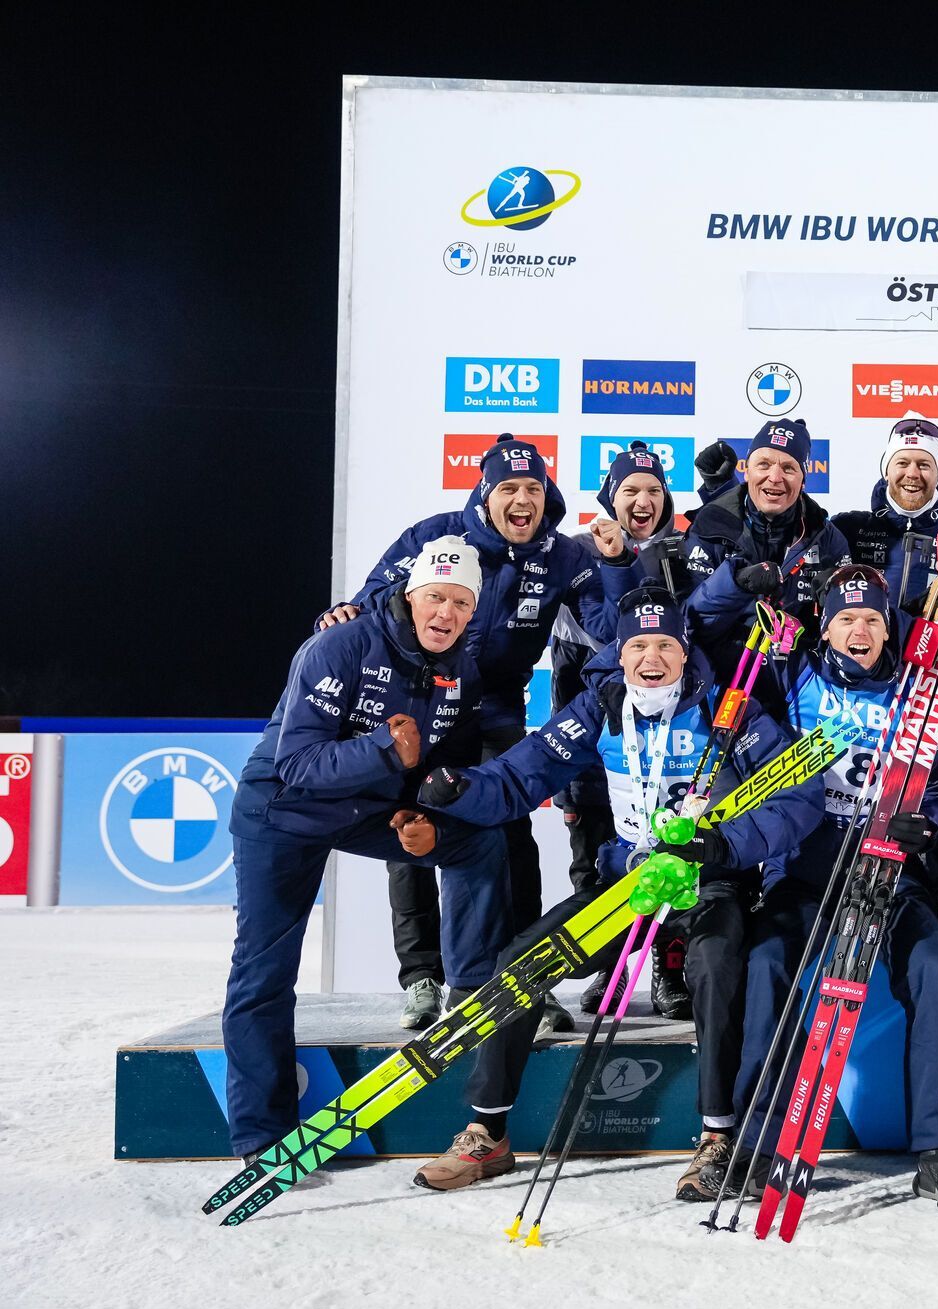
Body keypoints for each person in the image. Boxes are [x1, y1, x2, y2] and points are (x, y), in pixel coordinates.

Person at [410, 590, 822, 1191]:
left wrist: (720, 846)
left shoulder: (727, 710)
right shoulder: (600, 706)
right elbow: (523, 772)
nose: (650, 658)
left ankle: (718, 1138)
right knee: (521, 962)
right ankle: (488, 1133)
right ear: (620, 655)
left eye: (664, 645)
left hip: (707, 883)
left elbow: (798, 796)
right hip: (628, 885)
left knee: (716, 967)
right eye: (636, 646)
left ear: (685, 655)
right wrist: (461, 789)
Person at [322, 435, 622, 1032]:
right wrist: (341, 620)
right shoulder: (435, 536)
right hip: (423, 704)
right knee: (407, 831)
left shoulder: (563, 555)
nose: (522, 499)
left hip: (497, 712)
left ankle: (522, 975)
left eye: (533, 489)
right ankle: (424, 980)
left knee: (509, 835)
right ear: (485, 495)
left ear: (547, 496)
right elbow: (373, 603)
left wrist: (615, 566)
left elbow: (611, 631)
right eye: (508, 488)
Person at [223, 538, 511, 1162]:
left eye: (462, 604)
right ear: (411, 596)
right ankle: (258, 1136)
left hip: (366, 808)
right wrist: (384, 750)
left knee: (475, 842)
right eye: (437, 598)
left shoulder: (461, 666)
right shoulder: (340, 644)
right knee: (264, 972)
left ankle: (467, 999)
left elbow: (442, 765)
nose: (447, 614)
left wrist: (423, 814)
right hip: (283, 813)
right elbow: (295, 763)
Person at [722, 566, 938, 1209]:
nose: (859, 631)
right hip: (807, 868)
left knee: (930, 963)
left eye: (872, 619)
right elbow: (741, 713)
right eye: (846, 619)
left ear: (889, 626)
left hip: (891, 869)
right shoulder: (795, 676)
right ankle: (756, 1142)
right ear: (826, 626)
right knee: (768, 961)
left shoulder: (921, 689)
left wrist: (934, 825)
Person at [550, 442, 695, 1020]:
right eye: (630, 490)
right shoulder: (580, 556)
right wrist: (564, 779)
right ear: (610, 496)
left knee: (672, 861)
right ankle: (611, 965)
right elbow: (585, 646)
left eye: (654, 491)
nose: (643, 500)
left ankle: (669, 967)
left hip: (667, 743)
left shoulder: (684, 555)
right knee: (595, 864)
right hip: (595, 737)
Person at [683, 418, 851, 668]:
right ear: (747, 471)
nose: (775, 477)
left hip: (797, 681)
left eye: (789, 468)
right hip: (721, 676)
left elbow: (842, 630)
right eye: (764, 464)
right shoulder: (710, 527)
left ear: (803, 480)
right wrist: (734, 584)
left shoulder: (826, 538)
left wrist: (831, 605)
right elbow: (688, 624)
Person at [831, 413, 938, 609]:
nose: (912, 474)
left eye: (924, 465)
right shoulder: (848, 528)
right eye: (902, 463)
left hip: (937, 640)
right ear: (886, 471)